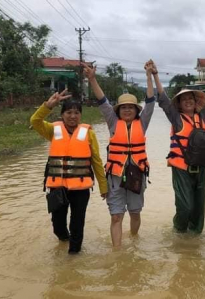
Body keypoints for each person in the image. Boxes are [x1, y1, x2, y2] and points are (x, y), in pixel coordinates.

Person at [84, 61, 155, 248]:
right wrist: (92, 79)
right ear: (118, 110)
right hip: (115, 176)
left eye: (131, 107)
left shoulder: (143, 122)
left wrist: (149, 77)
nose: (127, 110)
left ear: (136, 110)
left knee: (135, 213)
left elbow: (150, 102)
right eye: (124, 107)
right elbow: (102, 102)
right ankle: (117, 252)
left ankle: (133, 240)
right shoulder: (112, 122)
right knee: (116, 216)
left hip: (137, 174)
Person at [30, 89, 108, 254]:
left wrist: (103, 186)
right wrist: (47, 106)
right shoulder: (53, 130)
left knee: (77, 222)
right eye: (68, 112)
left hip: (81, 188)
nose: (73, 116)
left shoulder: (89, 134)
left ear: (80, 115)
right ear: (62, 114)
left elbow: (96, 161)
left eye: (76, 113)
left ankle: (74, 255)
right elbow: (35, 121)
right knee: (57, 225)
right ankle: (63, 239)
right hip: (58, 187)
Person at [151, 60, 205, 234]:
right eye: (184, 99)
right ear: (180, 103)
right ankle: (179, 229)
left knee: (198, 208)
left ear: (195, 101)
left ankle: (194, 238)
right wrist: (155, 75)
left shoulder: (203, 117)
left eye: (190, 98)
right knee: (185, 206)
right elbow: (163, 100)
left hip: (201, 168)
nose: (188, 101)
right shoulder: (176, 118)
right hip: (181, 168)